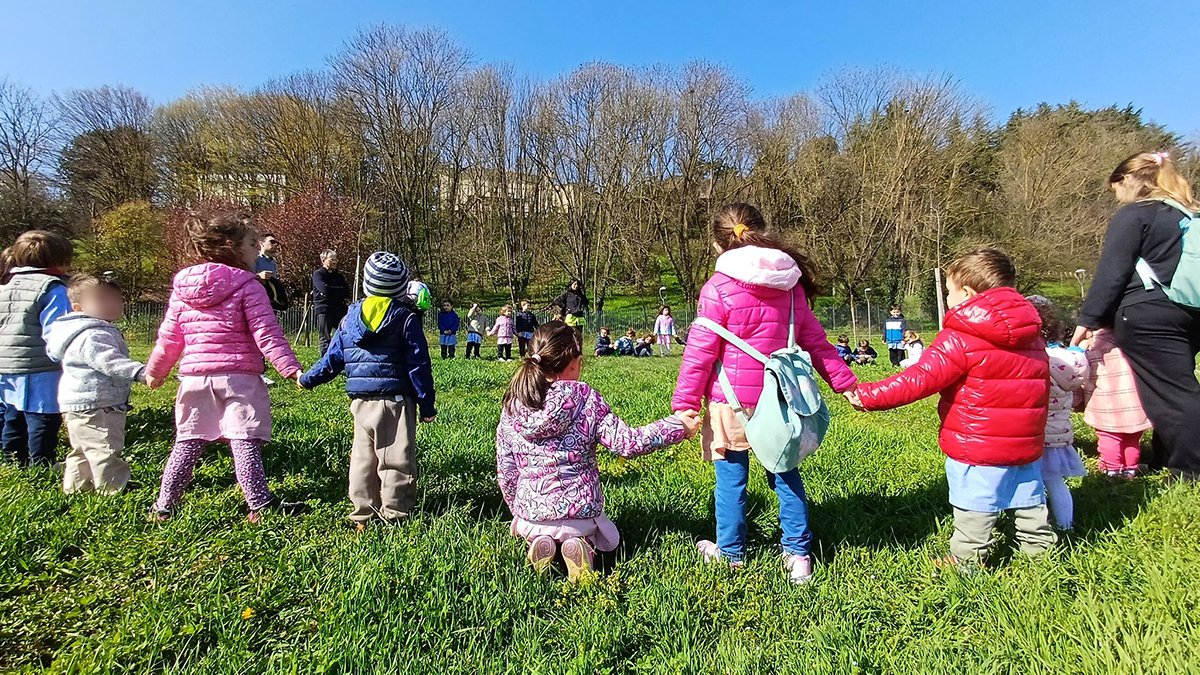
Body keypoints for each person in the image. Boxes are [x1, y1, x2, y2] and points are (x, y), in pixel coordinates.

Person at [672, 203, 858, 584]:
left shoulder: (716, 289)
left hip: (730, 403)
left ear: (716, 245)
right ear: (761, 232)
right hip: (781, 402)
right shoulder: (790, 287)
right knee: (786, 474)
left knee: (730, 480)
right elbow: (818, 344)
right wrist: (846, 384)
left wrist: (686, 404)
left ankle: (731, 554)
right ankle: (798, 554)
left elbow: (699, 352)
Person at [848, 248, 1055, 568]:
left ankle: (967, 560)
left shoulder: (961, 335)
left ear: (968, 293)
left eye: (948, 292)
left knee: (975, 503)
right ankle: (1040, 555)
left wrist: (868, 395)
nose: (947, 298)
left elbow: (919, 379)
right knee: (1029, 499)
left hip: (977, 442)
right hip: (1025, 441)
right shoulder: (1032, 332)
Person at [496, 322, 700, 581]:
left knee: (540, 528)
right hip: (580, 511)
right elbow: (627, 442)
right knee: (590, 532)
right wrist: (677, 425)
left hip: (531, 512)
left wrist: (519, 508)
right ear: (575, 362)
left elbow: (506, 468)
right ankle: (582, 547)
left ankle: (540, 540)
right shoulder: (585, 399)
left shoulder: (514, 403)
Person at [144, 211, 307, 523]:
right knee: (244, 441)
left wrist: (156, 371)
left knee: (188, 442)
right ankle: (258, 504)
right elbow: (266, 333)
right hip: (239, 378)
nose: (258, 249)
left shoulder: (181, 288)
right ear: (231, 246)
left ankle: (164, 506)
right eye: (251, 243)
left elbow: (169, 337)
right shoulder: (249, 285)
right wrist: (291, 369)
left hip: (194, 379)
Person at [1072, 151, 1200, 482]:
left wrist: (1089, 319)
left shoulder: (1137, 214)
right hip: (1189, 310)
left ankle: (1189, 469)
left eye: (1115, 189)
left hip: (1148, 314)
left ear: (1128, 179)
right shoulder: (1185, 213)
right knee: (1172, 386)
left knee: (1173, 394)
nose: (1118, 197)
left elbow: (1113, 272)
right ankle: (1166, 458)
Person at [300, 252, 436, 529]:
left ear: (366, 285)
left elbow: (333, 358)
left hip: (360, 401)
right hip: (396, 399)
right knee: (396, 458)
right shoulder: (406, 319)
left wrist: (307, 379)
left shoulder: (349, 317)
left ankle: (363, 513)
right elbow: (418, 365)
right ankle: (395, 513)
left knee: (363, 458)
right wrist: (427, 404)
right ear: (401, 288)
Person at [45, 275, 145, 494]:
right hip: (97, 401)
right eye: (102, 300)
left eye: (115, 300)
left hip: (79, 401)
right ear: (78, 307)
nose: (111, 305)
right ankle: (113, 488)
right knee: (104, 447)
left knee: (81, 449)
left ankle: (77, 487)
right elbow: (108, 361)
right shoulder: (93, 333)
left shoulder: (78, 330)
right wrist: (140, 372)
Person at [0, 231, 73, 467]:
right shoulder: (53, 289)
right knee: (43, 415)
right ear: (60, 261)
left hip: (5, 365)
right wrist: (65, 359)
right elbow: (57, 330)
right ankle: (40, 463)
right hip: (39, 365)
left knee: (13, 415)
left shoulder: (5, 286)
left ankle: (12, 460)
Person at [1027, 295, 1088, 532]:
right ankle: (1065, 525)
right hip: (1058, 435)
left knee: (1031, 483)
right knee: (1055, 483)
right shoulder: (1069, 359)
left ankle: (1037, 526)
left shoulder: (1036, 358)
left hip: (1034, 434)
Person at [1080, 328, 1151, 478]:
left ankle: (1111, 470)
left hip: (1106, 403)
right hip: (1136, 403)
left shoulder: (1095, 346)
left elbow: (1087, 377)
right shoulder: (1134, 342)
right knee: (1132, 439)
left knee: (1109, 437)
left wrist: (1081, 398)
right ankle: (1130, 468)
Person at [312, 249, 351, 357]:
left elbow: (346, 292)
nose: (335, 261)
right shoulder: (318, 274)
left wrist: (331, 291)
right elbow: (324, 289)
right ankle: (325, 362)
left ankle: (342, 358)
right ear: (323, 260)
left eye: (336, 259)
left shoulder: (339, 276)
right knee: (325, 337)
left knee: (345, 333)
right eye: (332, 259)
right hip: (324, 309)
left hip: (339, 309)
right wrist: (337, 291)